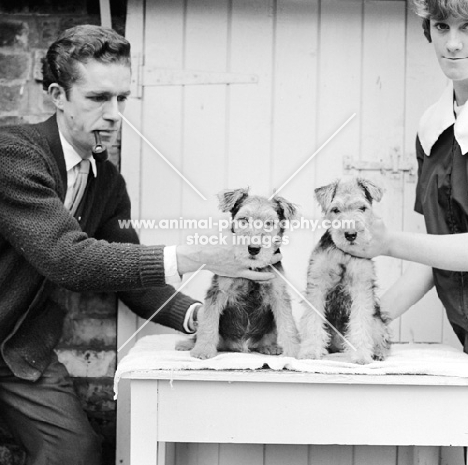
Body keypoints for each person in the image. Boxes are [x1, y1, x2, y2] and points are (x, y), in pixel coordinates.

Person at [0, 24, 279, 465]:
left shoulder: (106, 182)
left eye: (121, 98)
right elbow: (68, 259)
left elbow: (133, 282)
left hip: (20, 355)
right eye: (97, 98)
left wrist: (202, 318)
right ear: (57, 95)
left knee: (76, 453)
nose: (114, 113)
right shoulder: (14, 155)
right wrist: (201, 255)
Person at [339, 0, 468, 354]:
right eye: (443, 26)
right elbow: (436, 252)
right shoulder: (433, 127)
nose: (453, 44)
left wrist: (389, 242)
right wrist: (367, 323)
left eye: (467, 27)